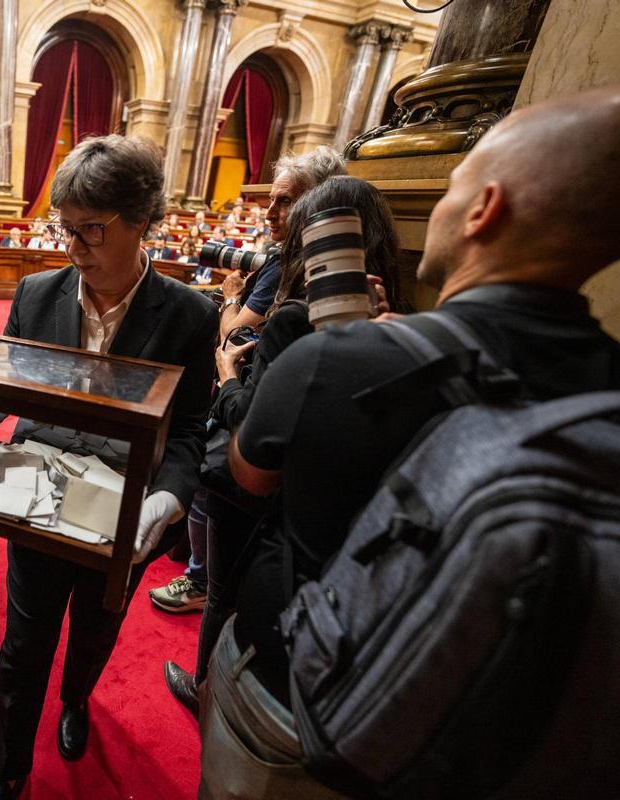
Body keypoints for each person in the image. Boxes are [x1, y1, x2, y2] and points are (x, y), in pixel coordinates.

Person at [200, 85, 620, 799]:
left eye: (454, 185)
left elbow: (247, 475)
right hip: (466, 730)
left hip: (296, 689)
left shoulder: (331, 358)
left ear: (485, 208)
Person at [0, 135, 218, 800]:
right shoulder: (35, 293)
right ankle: (9, 769)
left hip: (127, 513)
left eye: (92, 231)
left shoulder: (192, 314)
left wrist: (168, 500)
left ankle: (77, 699)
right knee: (23, 647)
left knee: (94, 632)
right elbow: (9, 393)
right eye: (66, 229)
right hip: (37, 502)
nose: (74, 249)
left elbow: (193, 425)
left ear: (143, 222)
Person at [163, 176, 401, 707]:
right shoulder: (394, 317)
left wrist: (227, 373)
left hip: (258, 498)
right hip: (330, 509)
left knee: (223, 597)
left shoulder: (292, 317)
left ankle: (206, 692)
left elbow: (248, 433)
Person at [217, 146, 346, 341]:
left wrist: (232, 296)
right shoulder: (333, 252)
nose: (269, 214)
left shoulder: (285, 264)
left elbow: (232, 336)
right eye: (271, 199)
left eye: (285, 201)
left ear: (316, 204)